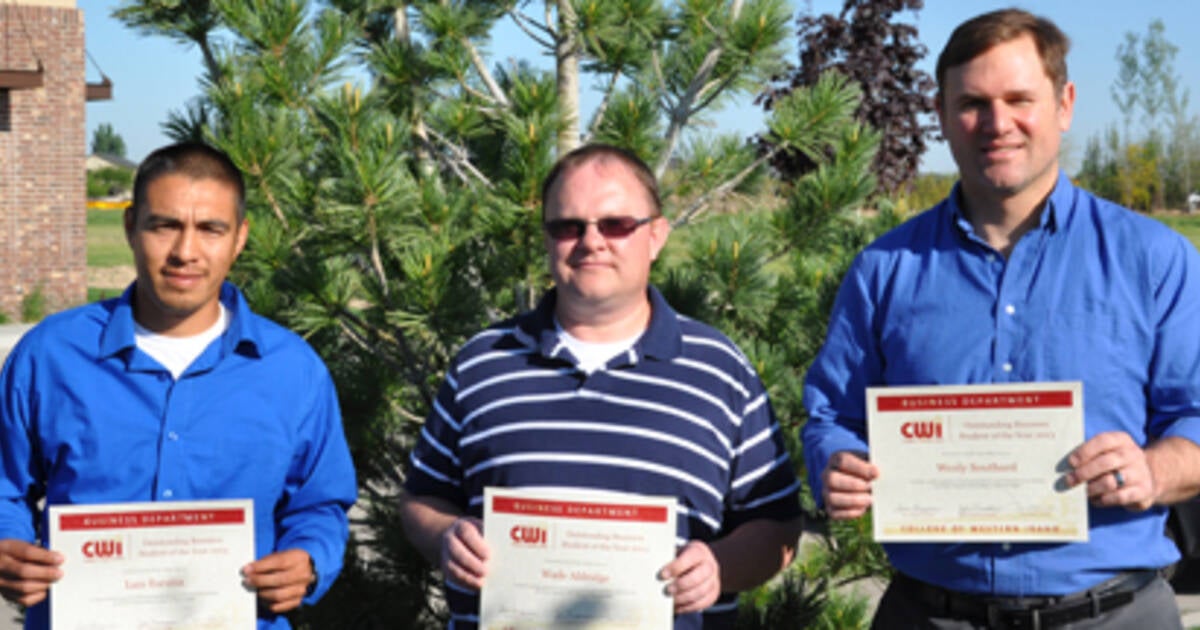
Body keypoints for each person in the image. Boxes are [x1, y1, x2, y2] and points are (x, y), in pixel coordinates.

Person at [803, 8, 1200, 628]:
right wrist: (837, 463)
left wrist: (1154, 469)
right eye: (972, 103)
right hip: (929, 615)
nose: (997, 123)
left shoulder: (1155, 259)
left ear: (1064, 104)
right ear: (941, 114)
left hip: (1114, 613)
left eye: (1019, 99)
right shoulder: (884, 269)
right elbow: (832, 416)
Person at [399, 143, 803, 629]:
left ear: (656, 236)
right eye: (568, 226)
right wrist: (446, 536)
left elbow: (778, 524)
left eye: (616, 224)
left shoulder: (721, 370)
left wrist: (719, 568)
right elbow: (421, 498)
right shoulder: (483, 362)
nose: (591, 242)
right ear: (547, 239)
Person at [0, 142, 358, 629]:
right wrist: (8, 546)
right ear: (131, 227)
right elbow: (5, 489)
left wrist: (309, 560)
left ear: (240, 238)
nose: (185, 252)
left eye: (210, 229)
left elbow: (320, 503)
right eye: (164, 226)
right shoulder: (50, 356)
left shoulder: (293, 371)